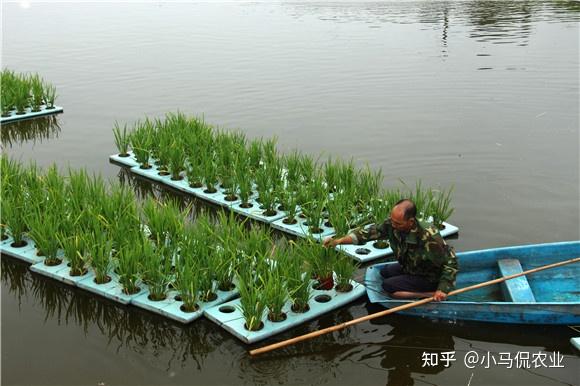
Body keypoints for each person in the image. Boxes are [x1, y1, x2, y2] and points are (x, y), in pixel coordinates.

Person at [323, 199, 458, 301]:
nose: (393, 225)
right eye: (392, 221)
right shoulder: (392, 225)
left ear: (410, 222)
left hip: (429, 276)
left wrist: (443, 289)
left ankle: (428, 295)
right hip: (412, 267)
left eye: (397, 223)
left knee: (388, 286)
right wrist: (338, 241)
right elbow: (367, 234)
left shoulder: (428, 236)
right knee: (385, 272)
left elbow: (451, 260)